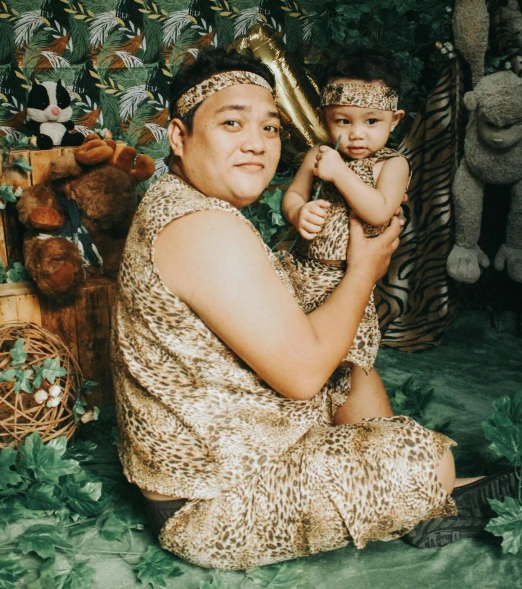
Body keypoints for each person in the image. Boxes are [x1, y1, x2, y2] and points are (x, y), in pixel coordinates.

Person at [111, 47, 516, 571]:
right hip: (209, 505)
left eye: (271, 129)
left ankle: (434, 495)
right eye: (232, 123)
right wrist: (362, 272)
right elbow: (302, 375)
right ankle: (442, 493)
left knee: (350, 370)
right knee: (427, 460)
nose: (256, 144)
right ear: (180, 136)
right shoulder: (202, 228)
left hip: (241, 438)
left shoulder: (186, 201)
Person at [282, 48, 410, 374]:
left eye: (371, 121)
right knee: (288, 338)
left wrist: (340, 173)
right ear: (324, 117)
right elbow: (294, 193)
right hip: (303, 266)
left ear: (393, 121)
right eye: (343, 121)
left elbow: (379, 212)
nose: (356, 133)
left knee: (337, 355)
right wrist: (298, 211)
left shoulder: (392, 165)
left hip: (346, 280)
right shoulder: (320, 153)